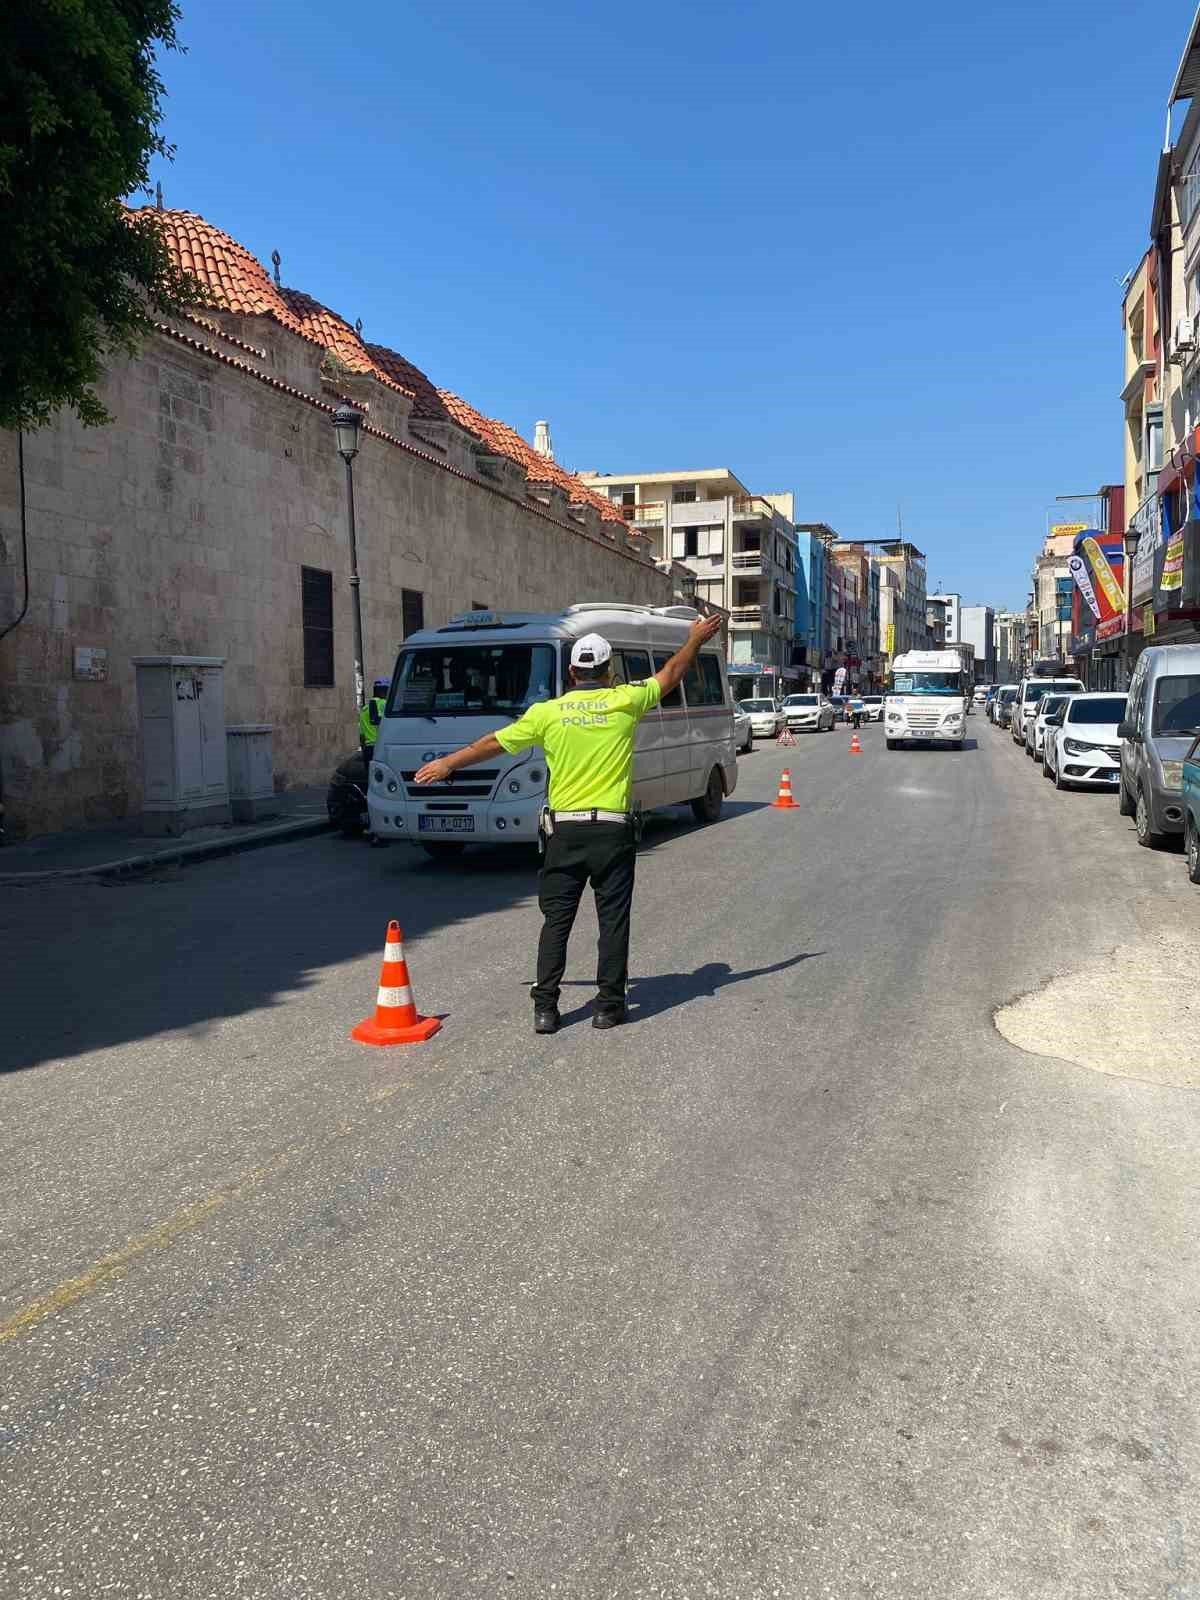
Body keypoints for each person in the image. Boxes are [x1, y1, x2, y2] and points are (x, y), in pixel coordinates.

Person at [413, 614, 724, 1034]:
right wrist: (693, 640)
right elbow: (670, 675)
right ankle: (608, 1007)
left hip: (564, 832)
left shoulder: (547, 713)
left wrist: (447, 763)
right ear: (609, 670)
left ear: (573, 672)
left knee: (556, 921)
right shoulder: (624, 701)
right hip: (612, 831)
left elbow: (493, 743)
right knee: (612, 920)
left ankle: (545, 1009)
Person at [359, 678, 390, 761]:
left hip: (368, 749)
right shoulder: (384, 704)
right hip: (380, 747)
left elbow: (361, 735)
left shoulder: (364, 709)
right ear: (384, 691)